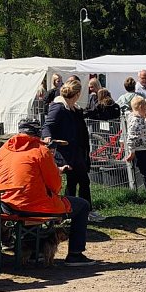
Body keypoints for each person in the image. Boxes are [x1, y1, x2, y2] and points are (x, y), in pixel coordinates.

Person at [0, 119, 96, 266]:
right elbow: (55, 185)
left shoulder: (3, 150)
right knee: (82, 206)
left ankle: (35, 250)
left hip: (7, 205)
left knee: (29, 200)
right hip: (33, 206)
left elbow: (0, 179)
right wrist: (57, 172)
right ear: (37, 134)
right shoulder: (41, 151)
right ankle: (75, 254)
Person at [42, 80, 103, 222]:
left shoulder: (73, 108)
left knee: (75, 182)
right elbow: (47, 125)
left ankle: (71, 212)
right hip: (67, 153)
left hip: (77, 151)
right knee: (81, 181)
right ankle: (81, 211)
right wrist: (47, 137)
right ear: (77, 94)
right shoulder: (58, 107)